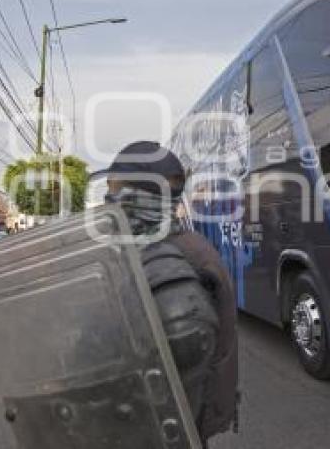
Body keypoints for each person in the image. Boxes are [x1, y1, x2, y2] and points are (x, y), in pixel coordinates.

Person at [97, 141, 237, 443]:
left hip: (176, 423)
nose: (109, 199)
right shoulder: (174, 244)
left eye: (115, 188)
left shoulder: (175, 257)